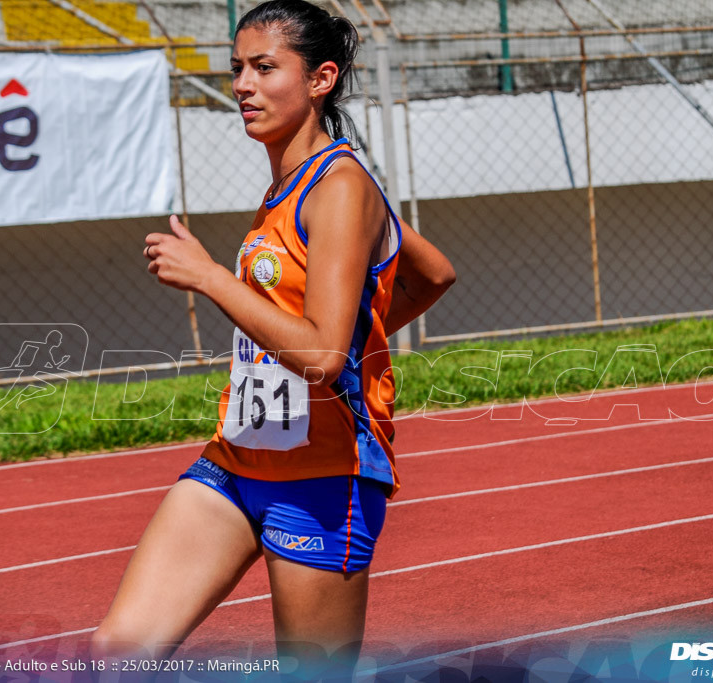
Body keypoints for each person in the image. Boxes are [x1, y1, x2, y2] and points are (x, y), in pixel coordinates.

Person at [90, 0, 455, 676]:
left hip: (321, 477)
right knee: (117, 653)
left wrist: (208, 276)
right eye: (236, 69)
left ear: (320, 79)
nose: (241, 86)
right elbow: (433, 272)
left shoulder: (340, 187)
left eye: (264, 67)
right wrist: (360, 335)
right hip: (237, 461)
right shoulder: (288, 185)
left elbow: (319, 353)